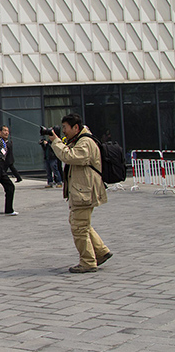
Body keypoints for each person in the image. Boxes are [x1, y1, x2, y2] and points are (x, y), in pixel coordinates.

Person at [46, 113, 112, 273]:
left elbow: (69, 156)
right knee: (82, 224)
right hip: (83, 191)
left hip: (85, 192)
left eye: (65, 128)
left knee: (79, 227)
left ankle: (88, 262)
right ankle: (101, 251)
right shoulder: (79, 140)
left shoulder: (85, 142)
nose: (63, 131)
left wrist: (55, 141)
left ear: (76, 127)